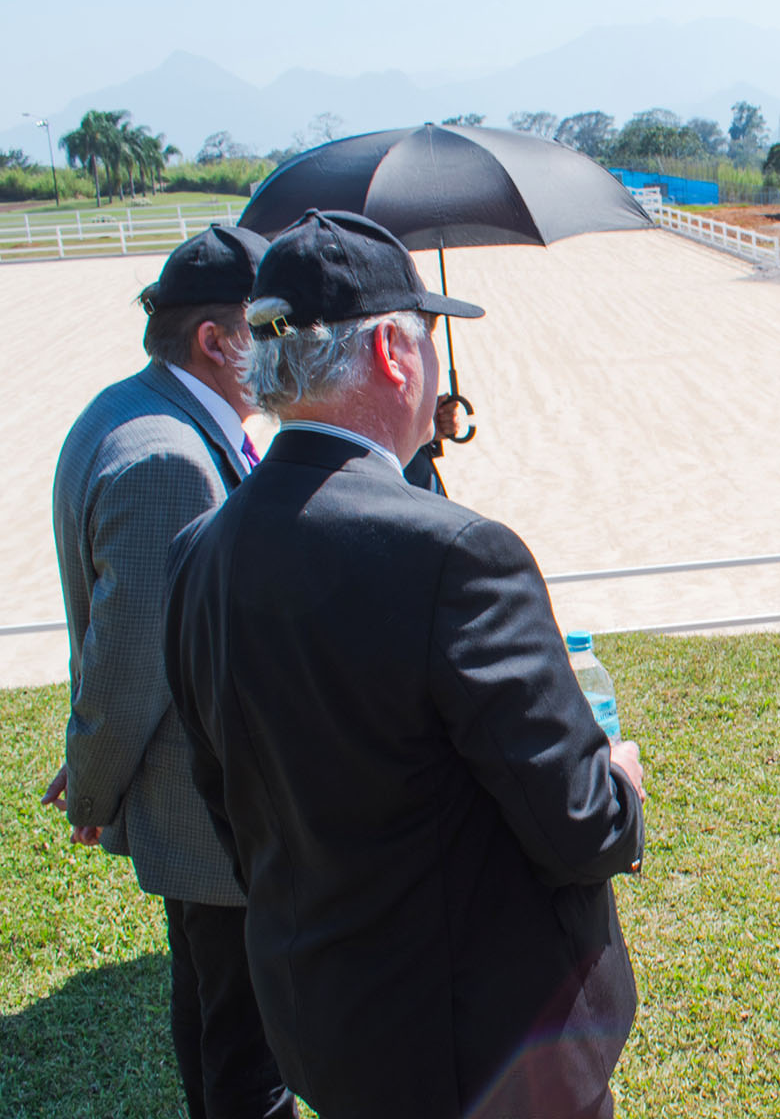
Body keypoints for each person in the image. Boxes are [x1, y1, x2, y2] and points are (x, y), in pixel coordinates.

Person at [163, 210, 647, 1119]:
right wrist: (617, 777)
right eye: (428, 339)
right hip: (490, 1055)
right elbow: (581, 825)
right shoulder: (456, 554)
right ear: (393, 350)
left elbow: (233, 808)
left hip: (326, 1029)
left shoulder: (201, 549)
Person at [44, 224, 296, 1119]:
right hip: (205, 811)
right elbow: (133, 660)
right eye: (268, 330)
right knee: (249, 1053)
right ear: (214, 341)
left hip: (192, 812)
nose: (286, 349)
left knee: (209, 1010)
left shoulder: (126, 408)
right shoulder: (171, 459)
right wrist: (93, 786)